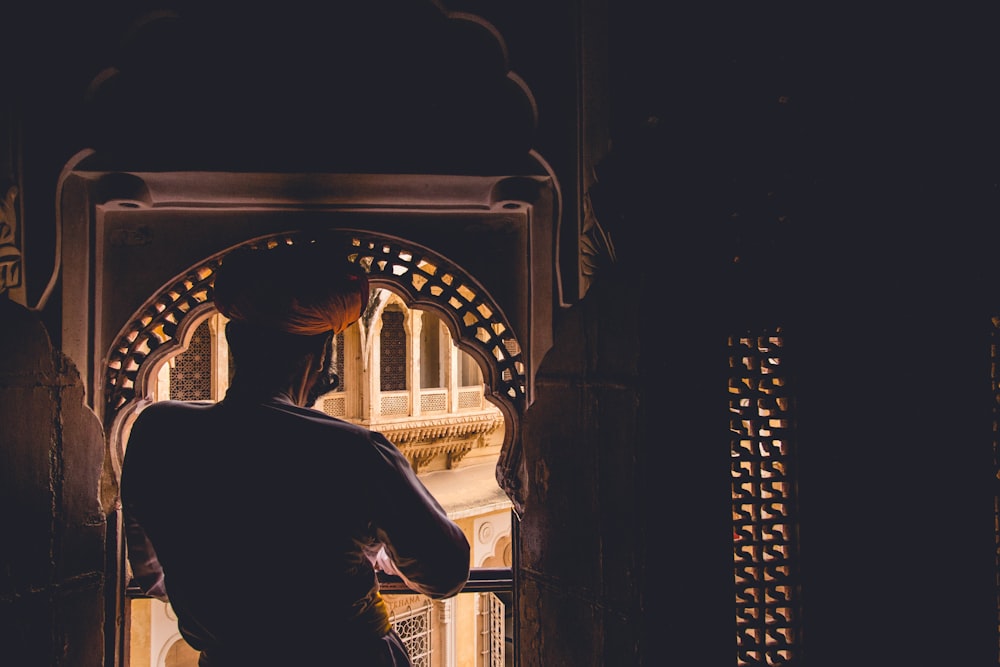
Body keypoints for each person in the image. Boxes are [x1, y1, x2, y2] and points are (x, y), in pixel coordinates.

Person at [120, 240, 471, 666]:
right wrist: (370, 546)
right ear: (319, 358)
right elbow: (445, 570)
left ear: (233, 343)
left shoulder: (157, 433)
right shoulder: (354, 451)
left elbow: (154, 575)